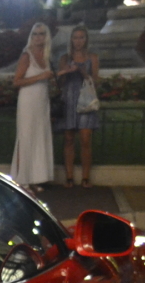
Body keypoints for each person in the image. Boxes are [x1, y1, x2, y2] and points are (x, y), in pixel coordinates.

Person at [9, 22, 56, 191]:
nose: (38, 37)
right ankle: (22, 179)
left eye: (42, 34)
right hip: (28, 101)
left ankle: (35, 176)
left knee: (39, 137)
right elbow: (17, 81)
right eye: (35, 34)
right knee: (26, 137)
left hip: (42, 102)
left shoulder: (46, 55)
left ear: (46, 36)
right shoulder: (26, 55)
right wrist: (40, 77)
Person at [56, 25, 100, 188]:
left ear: (86, 39)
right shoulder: (64, 58)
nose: (78, 41)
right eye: (75, 37)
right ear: (71, 40)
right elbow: (58, 81)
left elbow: (95, 81)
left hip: (85, 99)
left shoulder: (92, 57)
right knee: (68, 138)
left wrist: (83, 72)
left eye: (81, 37)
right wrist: (66, 71)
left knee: (85, 138)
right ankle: (69, 177)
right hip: (68, 98)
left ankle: (85, 177)